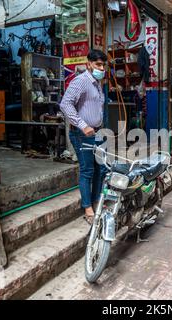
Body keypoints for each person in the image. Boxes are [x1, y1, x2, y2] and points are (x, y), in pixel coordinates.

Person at [60, 49, 108, 224]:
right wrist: (83, 125)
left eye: (103, 65)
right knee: (87, 170)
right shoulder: (81, 81)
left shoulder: (97, 83)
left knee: (101, 169)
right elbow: (65, 104)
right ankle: (88, 208)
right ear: (89, 64)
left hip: (96, 132)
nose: (101, 68)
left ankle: (96, 201)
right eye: (98, 64)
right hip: (82, 134)